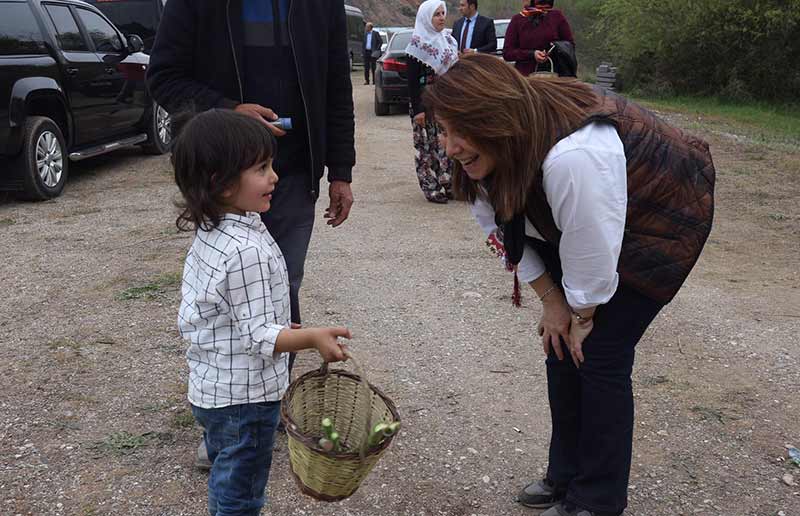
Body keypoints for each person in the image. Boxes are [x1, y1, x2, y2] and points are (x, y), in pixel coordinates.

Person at [423, 54, 715, 516]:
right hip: (587, 218)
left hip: (660, 214)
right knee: (558, 346)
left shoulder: (574, 156)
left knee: (599, 355)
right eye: (444, 129)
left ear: (495, 119)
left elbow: (594, 254)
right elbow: (501, 232)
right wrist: (553, 305)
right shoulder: (481, 155)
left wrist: (582, 313)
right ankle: (564, 475)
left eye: (462, 130)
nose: (451, 146)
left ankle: (597, 499)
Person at [146, 0, 355, 457]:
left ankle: (267, 406)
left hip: (295, 172)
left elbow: (337, 84)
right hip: (227, 176)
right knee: (226, 299)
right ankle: (225, 420)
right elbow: (163, 76)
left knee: (281, 288)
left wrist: (341, 168)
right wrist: (225, 111)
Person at [172, 109, 351, 515]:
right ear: (220, 182)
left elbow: (227, 312)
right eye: (261, 168)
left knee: (226, 470)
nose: (274, 176)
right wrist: (310, 338)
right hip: (246, 397)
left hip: (214, 390)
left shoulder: (218, 229)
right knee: (242, 490)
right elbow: (259, 338)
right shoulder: (245, 250)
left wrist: (284, 325)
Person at [405, 0, 458, 204]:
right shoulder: (416, 45)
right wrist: (418, 110)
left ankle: (447, 183)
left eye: (443, 13)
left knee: (445, 143)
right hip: (424, 105)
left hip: (444, 104)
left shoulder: (447, 41)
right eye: (437, 14)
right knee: (426, 146)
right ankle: (431, 186)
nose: (442, 17)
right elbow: (411, 82)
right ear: (426, 17)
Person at [503, 0, 575, 77]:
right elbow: (507, 53)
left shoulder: (556, 16)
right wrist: (532, 54)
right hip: (527, 78)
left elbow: (569, 45)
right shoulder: (517, 20)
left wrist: (554, 50)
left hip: (555, 74)